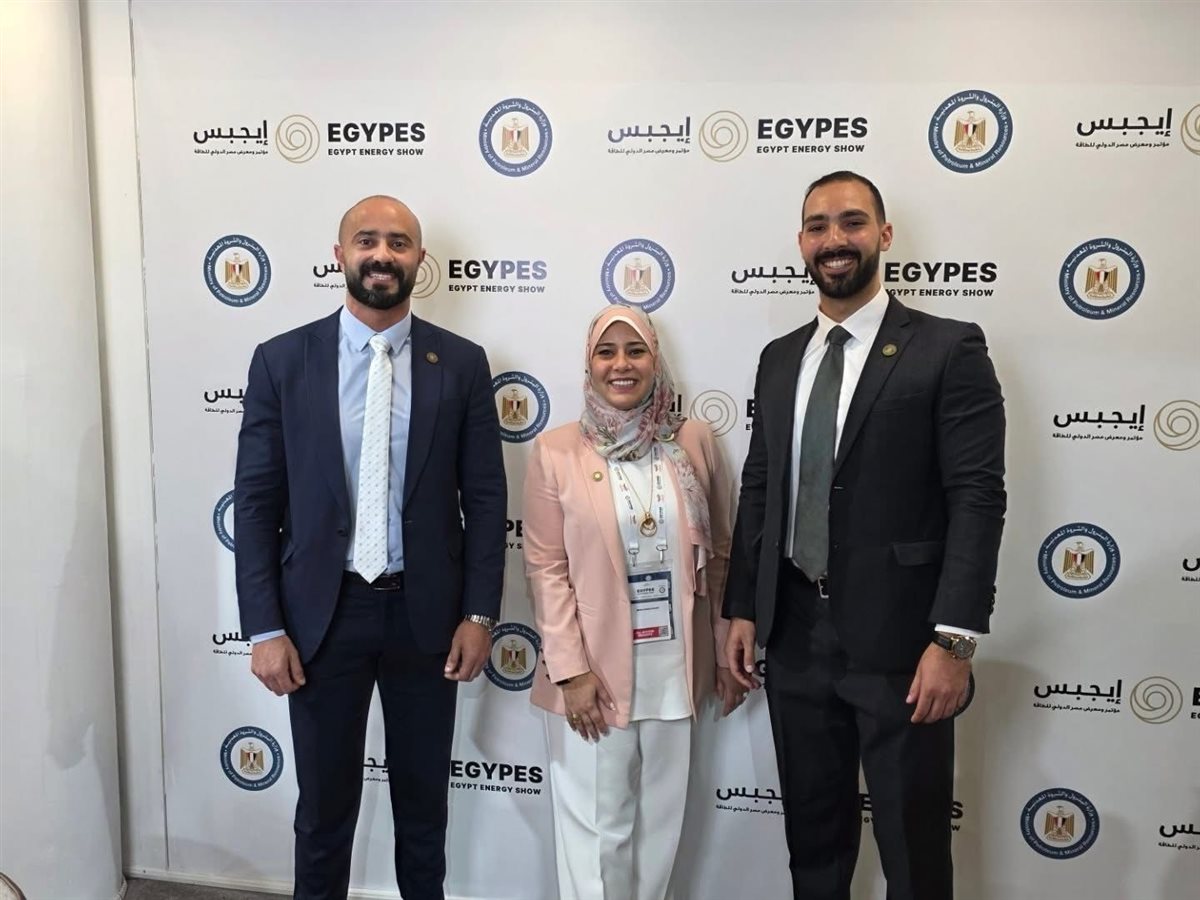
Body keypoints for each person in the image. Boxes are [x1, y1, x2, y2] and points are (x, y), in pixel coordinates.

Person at [723, 171, 1006, 900]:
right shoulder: (780, 357)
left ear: (883, 235)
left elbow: (977, 499)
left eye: (851, 222)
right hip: (795, 635)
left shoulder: (947, 347)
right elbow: (761, 488)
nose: (834, 239)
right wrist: (743, 606)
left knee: (914, 853)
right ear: (801, 242)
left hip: (905, 644)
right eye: (817, 226)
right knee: (813, 846)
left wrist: (954, 640)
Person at [234, 195, 506, 900]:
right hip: (321, 620)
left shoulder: (462, 364)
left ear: (419, 260)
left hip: (428, 619)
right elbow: (257, 505)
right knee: (323, 814)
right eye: (367, 241)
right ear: (340, 255)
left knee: (424, 810)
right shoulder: (282, 361)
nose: (382, 255)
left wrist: (479, 614)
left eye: (398, 243)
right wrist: (264, 628)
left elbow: (485, 501)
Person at [523, 304, 744, 900]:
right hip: (592, 675)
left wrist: (725, 649)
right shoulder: (557, 451)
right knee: (598, 833)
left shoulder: (692, 441)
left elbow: (722, 554)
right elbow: (545, 568)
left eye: (635, 350)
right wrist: (570, 672)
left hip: (675, 665)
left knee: (659, 830)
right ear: (589, 364)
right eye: (606, 352)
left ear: (655, 360)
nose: (621, 364)